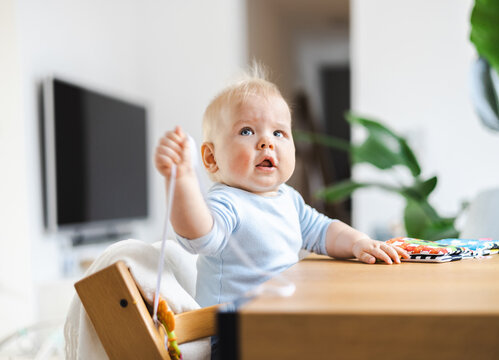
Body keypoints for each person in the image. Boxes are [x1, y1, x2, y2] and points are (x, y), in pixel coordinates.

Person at [154, 67, 409, 309]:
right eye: (246, 131)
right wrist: (183, 181)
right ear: (211, 158)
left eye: (278, 133)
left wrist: (358, 243)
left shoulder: (288, 198)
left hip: (277, 315)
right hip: (232, 329)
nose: (266, 142)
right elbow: (199, 237)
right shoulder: (228, 201)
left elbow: (323, 231)